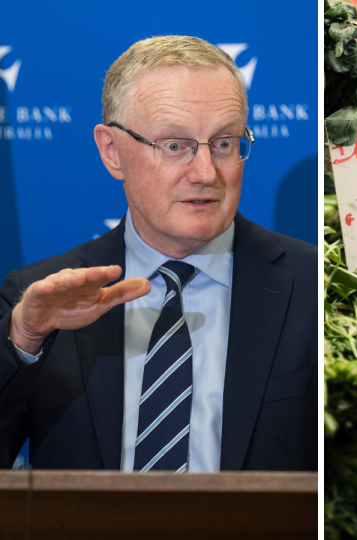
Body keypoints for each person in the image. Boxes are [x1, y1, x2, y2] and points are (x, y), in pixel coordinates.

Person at [0, 36, 317, 472]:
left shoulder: (314, 285)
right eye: (174, 145)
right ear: (112, 152)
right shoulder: (41, 299)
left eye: (224, 143)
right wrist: (23, 341)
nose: (206, 173)